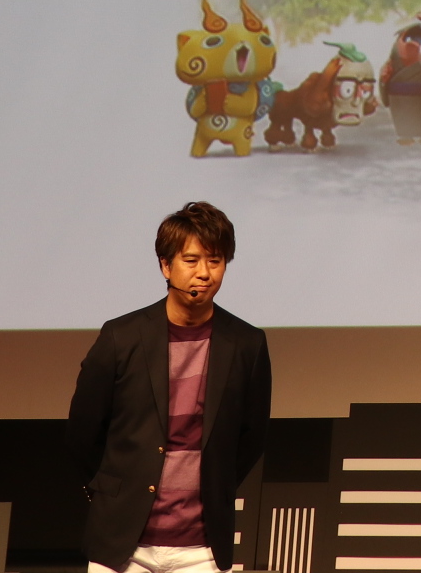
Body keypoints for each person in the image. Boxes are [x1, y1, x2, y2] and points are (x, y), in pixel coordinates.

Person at [68, 202, 273, 573]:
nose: (204, 273)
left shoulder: (247, 343)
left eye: (215, 261)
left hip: (202, 548)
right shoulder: (121, 337)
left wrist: (216, 489)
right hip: (122, 544)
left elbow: (251, 437)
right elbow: (84, 431)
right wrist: (113, 492)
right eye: (191, 261)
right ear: (166, 265)